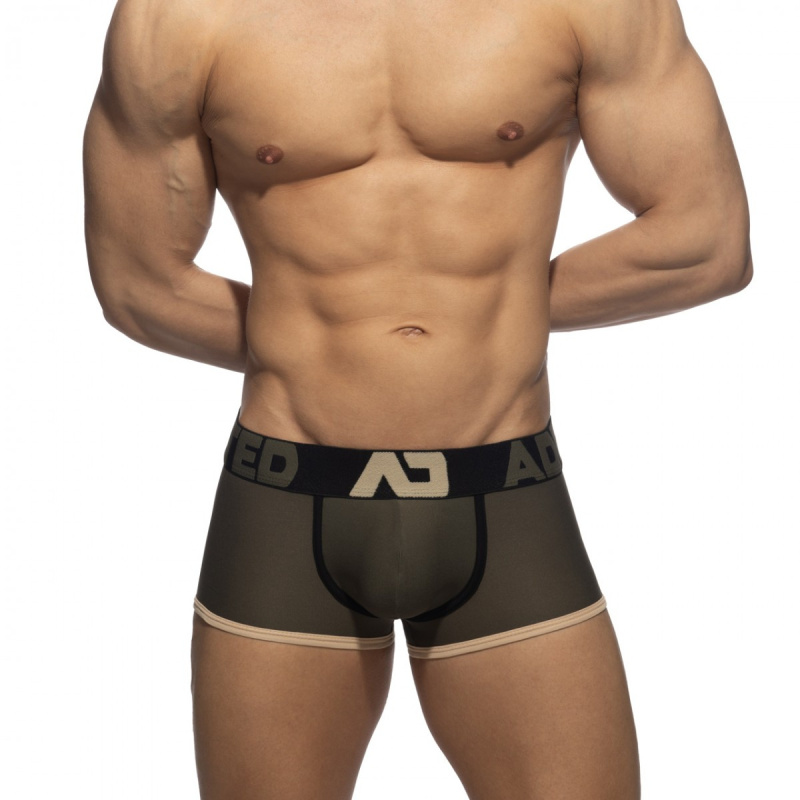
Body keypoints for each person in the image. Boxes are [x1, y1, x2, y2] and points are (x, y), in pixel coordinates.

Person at [83, 0, 751, 796]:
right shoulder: (184, 17)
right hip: (286, 504)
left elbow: (704, 240)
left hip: (506, 494)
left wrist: (488, 315)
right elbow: (138, 285)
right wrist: (313, 343)